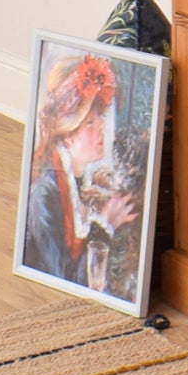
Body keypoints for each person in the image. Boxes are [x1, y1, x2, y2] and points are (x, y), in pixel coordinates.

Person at [22, 52, 139, 288]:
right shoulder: (44, 192)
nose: (101, 130)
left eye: (100, 120)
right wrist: (106, 225)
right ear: (68, 133)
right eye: (90, 123)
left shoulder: (78, 180)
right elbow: (63, 277)